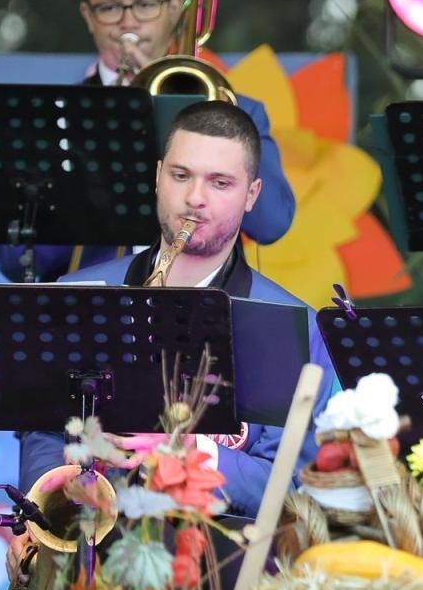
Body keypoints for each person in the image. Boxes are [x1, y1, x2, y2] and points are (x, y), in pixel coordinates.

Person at [17, 101, 334, 528]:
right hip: (88, 545)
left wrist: (186, 450)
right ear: (157, 176)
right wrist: (46, 510)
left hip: (220, 558)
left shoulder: (292, 328)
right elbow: (43, 430)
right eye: (180, 176)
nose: (194, 199)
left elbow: (293, 490)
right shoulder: (76, 294)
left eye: (220, 183)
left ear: (252, 195)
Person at [0, 0, 295, 282]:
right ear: (88, 16)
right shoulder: (52, 119)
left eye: (146, 4)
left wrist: (199, 120)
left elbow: (272, 223)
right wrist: (93, 173)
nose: (128, 22)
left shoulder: (236, 109)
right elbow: (14, 259)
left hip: (203, 306)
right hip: (89, 303)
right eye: (110, 8)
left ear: (175, 6)